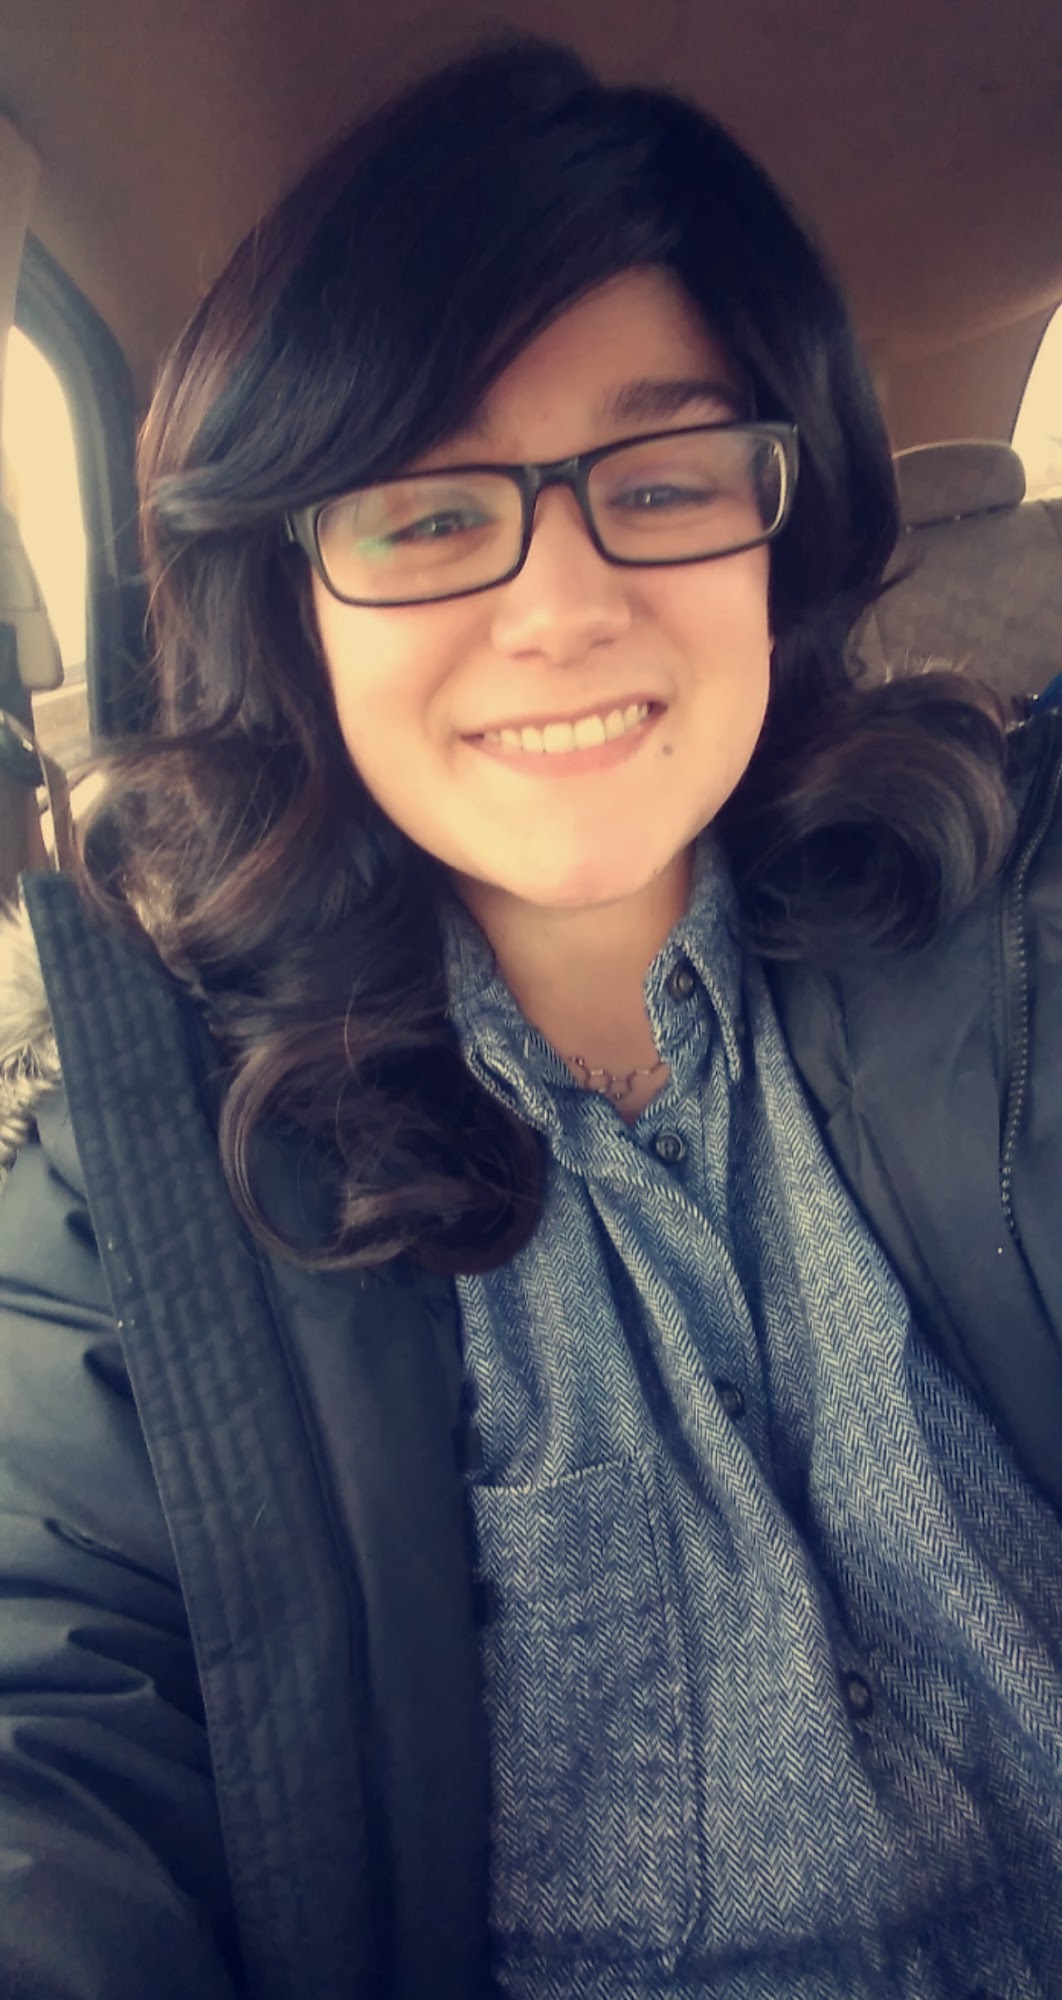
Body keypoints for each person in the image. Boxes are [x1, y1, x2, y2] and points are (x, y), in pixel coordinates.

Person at [0, 35, 1059, 2000]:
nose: (562, 607)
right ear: (293, 598)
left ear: (780, 539)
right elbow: (48, 1732)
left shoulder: (1019, 930)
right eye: (423, 511)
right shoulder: (135, 1197)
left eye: (661, 481)